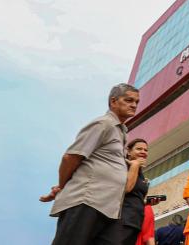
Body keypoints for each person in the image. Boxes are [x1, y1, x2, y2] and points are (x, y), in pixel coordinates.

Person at [40, 83, 140, 245]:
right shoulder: (103, 124)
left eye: (136, 102)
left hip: (108, 208)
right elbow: (71, 158)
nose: (134, 105)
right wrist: (62, 186)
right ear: (113, 102)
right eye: (128, 100)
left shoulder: (121, 131)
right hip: (87, 201)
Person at [120, 138, 150, 245]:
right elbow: (127, 189)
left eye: (145, 150)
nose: (143, 152)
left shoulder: (140, 172)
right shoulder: (124, 166)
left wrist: (147, 202)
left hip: (135, 221)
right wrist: (135, 165)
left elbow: (136, 197)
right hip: (123, 219)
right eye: (139, 149)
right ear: (128, 151)